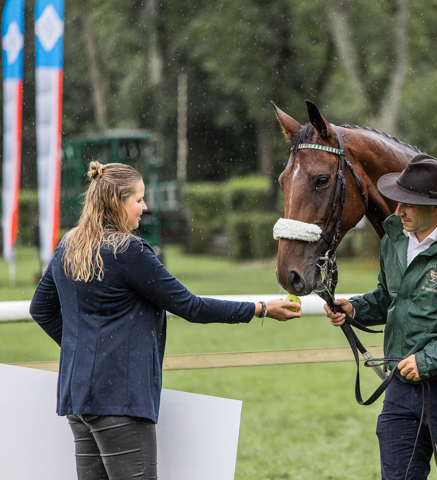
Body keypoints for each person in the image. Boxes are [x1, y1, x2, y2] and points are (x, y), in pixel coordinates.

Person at [29, 162, 301, 480]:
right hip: (119, 399)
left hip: (77, 398)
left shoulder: (67, 247)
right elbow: (191, 306)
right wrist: (259, 309)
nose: (145, 207)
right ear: (117, 202)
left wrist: (87, 352)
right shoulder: (129, 251)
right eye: (139, 199)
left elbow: (40, 309)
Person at [324, 154, 437, 479]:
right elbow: (389, 297)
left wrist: (427, 361)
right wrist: (355, 308)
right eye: (398, 201)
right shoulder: (393, 240)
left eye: (408, 204)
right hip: (401, 387)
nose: (398, 211)